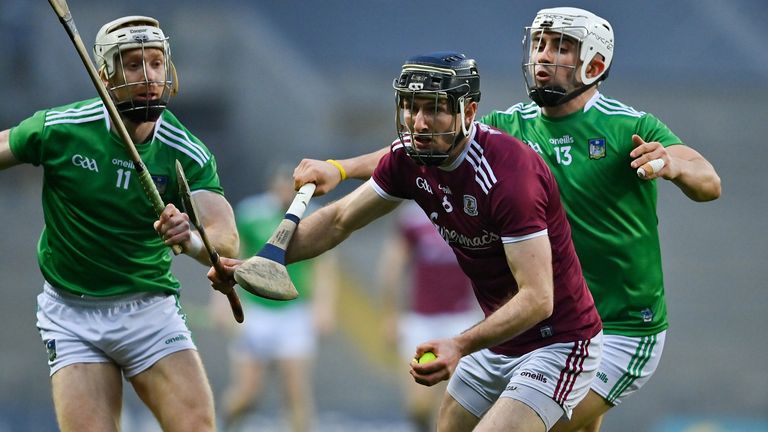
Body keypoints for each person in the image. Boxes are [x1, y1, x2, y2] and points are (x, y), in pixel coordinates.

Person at [290, 7, 722, 432]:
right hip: (543, 322)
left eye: (561, 47)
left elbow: (709, 181)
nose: (543, 56)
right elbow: (417, 147)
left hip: (625, 326)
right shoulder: (509, 126)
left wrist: (674, 164)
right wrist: (342, 167)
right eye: (539, 44)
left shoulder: (629, 126)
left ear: (594, 62)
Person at [212, 51, 604, 432]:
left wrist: (460, 345)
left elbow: (537, 298)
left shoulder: (509, 178)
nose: (418, 122)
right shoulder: (413, 157)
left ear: (468, 112)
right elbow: (337, 220)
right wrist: (265, 260)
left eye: (433, 108)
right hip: (501, 341)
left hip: (559, 342)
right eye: (411, 107)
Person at [0, 16, 239, 432]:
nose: (148, 75)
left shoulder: (186, 151)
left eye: (156, 62)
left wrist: (193, 240)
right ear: (105, 76)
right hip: (71, 313)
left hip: (147, 309)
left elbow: (226, 239)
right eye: (133, 64)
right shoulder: (62, 129)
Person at [212, 167, 337, 432]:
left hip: (294, 313)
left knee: (295, 394)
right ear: (273, 187)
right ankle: (221, 426)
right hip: (256, 312)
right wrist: (224, 304)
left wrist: (324, 307)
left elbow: (324, 266)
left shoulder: (313, 216)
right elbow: (230, 260)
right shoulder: (250, 214)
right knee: (246, 395)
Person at [377, 200, 482, 431]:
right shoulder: (413, 216)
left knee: (451, 405)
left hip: (461, 320)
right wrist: (390, 315)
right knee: (418, 405)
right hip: (421, 320)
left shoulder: (469, 207)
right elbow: (393, 266)